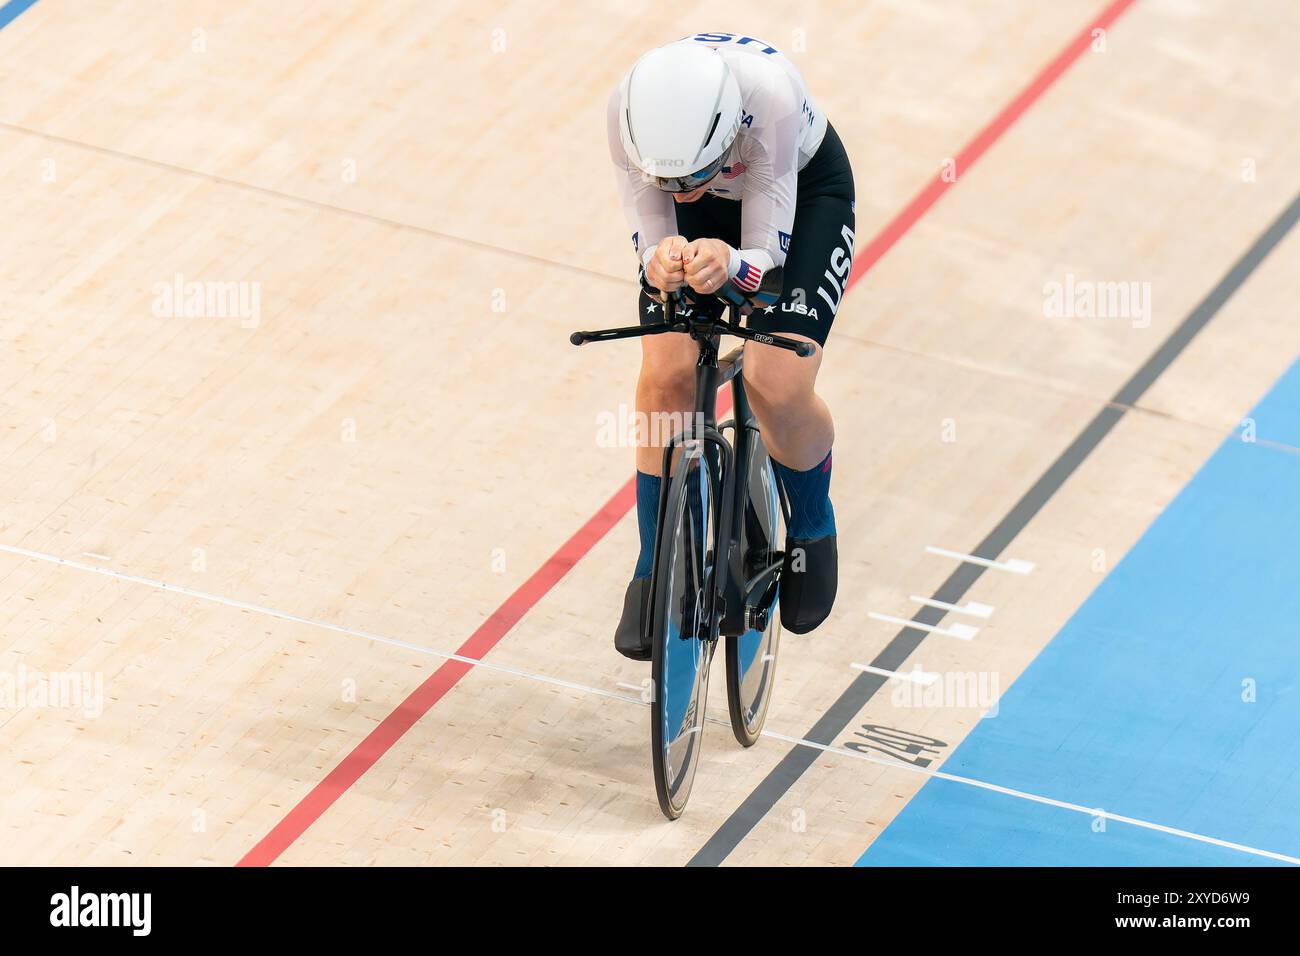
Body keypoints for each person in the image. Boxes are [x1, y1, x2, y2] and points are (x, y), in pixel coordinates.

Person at [608, 32, 855, 660]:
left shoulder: (767, 95)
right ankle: (654, 561)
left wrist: (732, 265)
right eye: (668, 178)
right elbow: (653, 231)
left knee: (776, 379)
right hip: (715, 209)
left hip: (799, 200)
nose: (681, 188)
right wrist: (660, 264)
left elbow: (767, 255)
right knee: (664, 377)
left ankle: (811, 523)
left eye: (693, 175)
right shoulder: (626, 112)